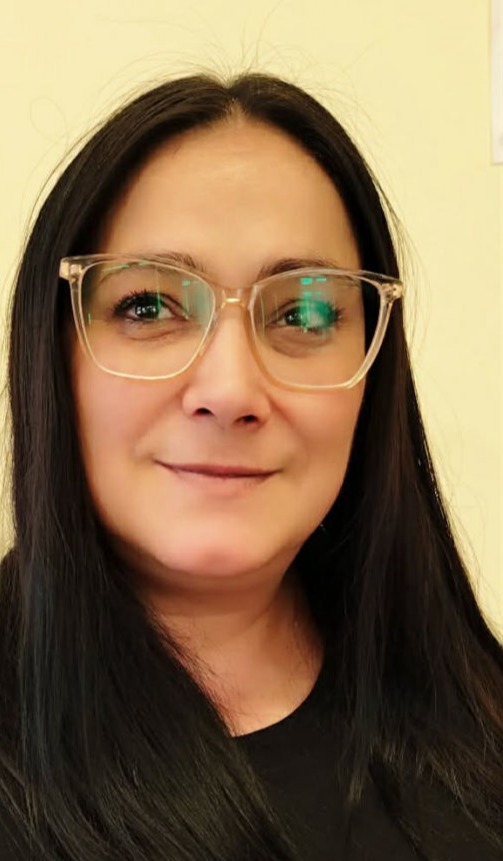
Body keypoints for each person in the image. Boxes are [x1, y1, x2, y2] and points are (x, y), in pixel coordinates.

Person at [0, 72, 501, 861]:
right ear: (53, 356)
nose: (231, 390)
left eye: (304, 312)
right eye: (148, 306)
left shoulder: (477, 713)